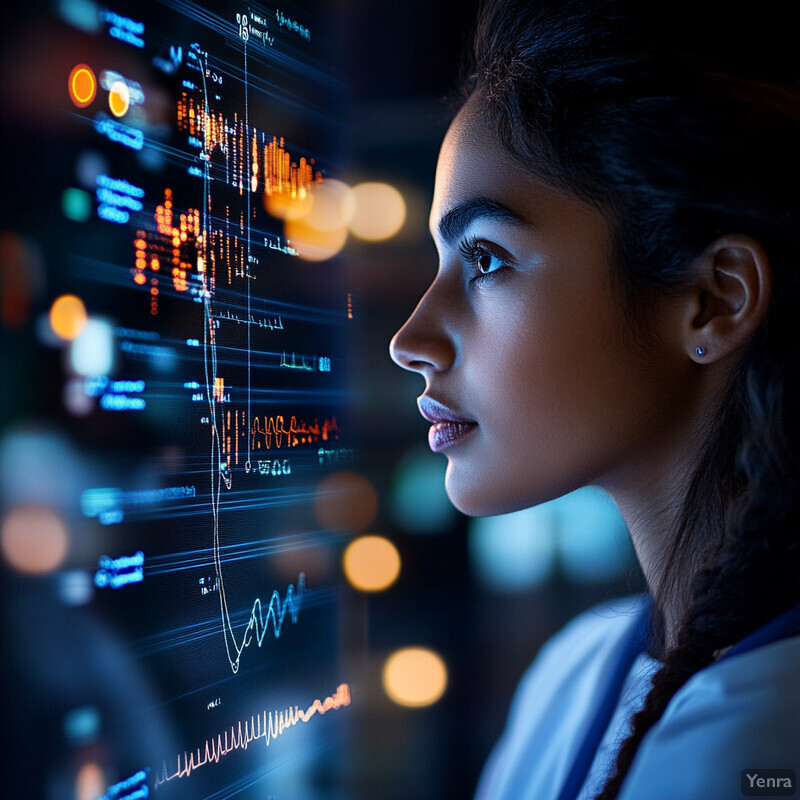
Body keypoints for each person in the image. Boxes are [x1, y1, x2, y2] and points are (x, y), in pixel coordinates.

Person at [389, 1, 800, 798]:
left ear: (714, 300)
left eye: (487, 259)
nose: (412, 339)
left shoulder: (760, 746)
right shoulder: (572, 675)